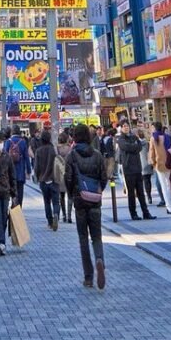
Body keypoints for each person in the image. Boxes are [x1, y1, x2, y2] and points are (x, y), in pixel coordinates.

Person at [64, 123, 107, 289]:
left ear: (75, 136)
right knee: (97, 236)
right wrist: (97, 190)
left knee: (83, 238)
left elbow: (68, 178)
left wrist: (72, 194)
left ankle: (88, 276)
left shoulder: (72, 156)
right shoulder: (97, 155)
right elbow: (103, 177)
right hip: (95, 201)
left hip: (79, 200)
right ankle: (100, 259)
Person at [120, 121, 156, 221]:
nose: (126, 127)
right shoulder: (121, 139)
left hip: (137, 167)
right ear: (121, 128)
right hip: (128, 169)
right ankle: (133, 213)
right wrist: (133, 147)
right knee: (131, 193)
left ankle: (146, 212)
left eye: (127, 126)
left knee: (141, 192)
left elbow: (139, 146)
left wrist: (133, 147)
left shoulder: (134, 137)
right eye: (123, 126)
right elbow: (126, 147)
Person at [34, 129, 60, 231]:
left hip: (43, 180)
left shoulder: (38, 151)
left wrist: (37, 176)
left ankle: (50, 222)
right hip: (53, 179)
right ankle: (56, 214)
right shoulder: (53, 150)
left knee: (47, 202)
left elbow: (36, 167)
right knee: (56, 201)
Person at [148, 122, 171, 214]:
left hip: (159, 165)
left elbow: (151, 153)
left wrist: (153, 163)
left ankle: (169, 206)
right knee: (170, 184)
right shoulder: (167, 137)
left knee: (164, 185)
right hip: (170, 164)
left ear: (155, 128)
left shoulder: (153, 138)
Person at [4, 125, 31, 207]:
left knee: (11, 192)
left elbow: (4, 156)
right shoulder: (23, 142)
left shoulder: (8, 141)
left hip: (10, 172)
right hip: (20, 172)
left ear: (12, 132)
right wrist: (28, 171)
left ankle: (13, 208)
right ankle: (19, 211)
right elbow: (26, 157)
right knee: (20, 193)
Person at [57, 131, 73, 223]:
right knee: (70, 196)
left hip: (59, 174)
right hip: (69, 173)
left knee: (61, 196)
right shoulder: (70, 149)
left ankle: (63, 215)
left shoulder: (56, 149)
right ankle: (69, 216)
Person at [138, 128, 154, 206]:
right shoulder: (148, 143)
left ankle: (147, 196)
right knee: (148, 180)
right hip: (148, 163)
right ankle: (149, 195)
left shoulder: (137, 144)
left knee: (144, 181)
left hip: (140, 164)